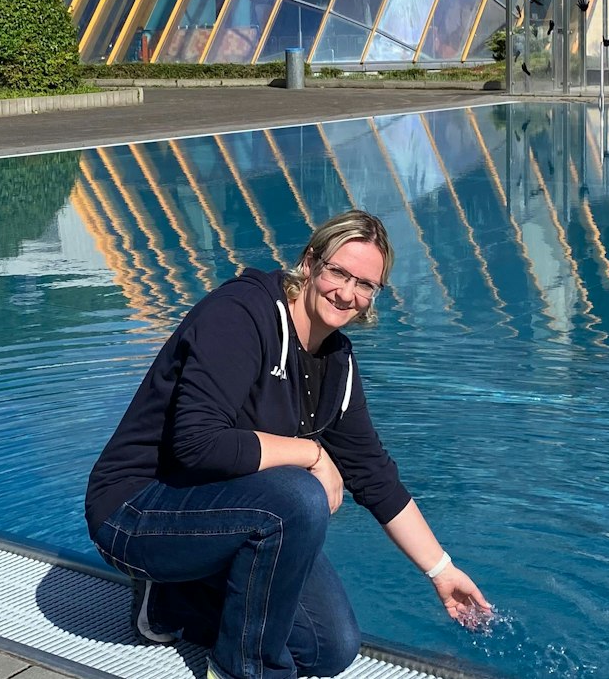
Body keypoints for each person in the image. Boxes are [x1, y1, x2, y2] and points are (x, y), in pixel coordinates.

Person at [84, 210, 490, 679]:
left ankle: (173, 600)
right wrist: (313, 453)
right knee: (298, 496)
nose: (347, 293)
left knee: (328, 647)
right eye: (339, 272)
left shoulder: (337, 361)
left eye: (365, 284)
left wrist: (441, 571)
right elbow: (198, 444)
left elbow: (372, 472)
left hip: (214, 514)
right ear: (310, 262)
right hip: (136, 512)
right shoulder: (241, 314)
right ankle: (243, 671)